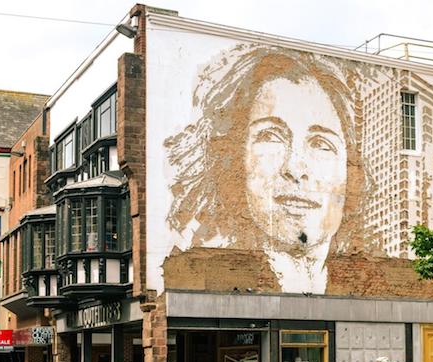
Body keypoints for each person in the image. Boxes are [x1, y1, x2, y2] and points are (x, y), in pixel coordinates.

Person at [164, 46, 384, 295]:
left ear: (351, 171)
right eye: (271, 136)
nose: (295, 168)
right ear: (235, 157)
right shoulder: (192, 269)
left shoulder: (378, 281)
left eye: (321, 144)